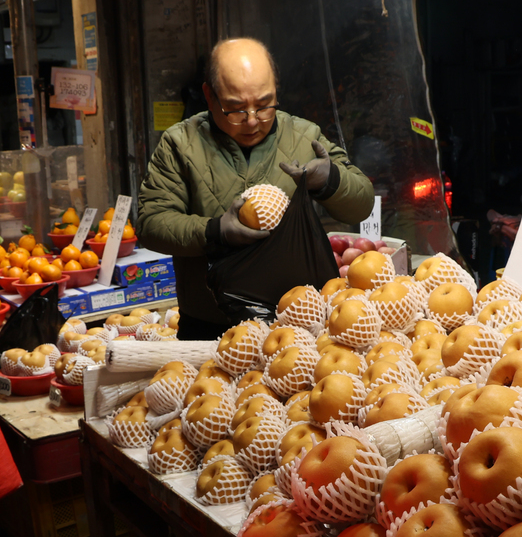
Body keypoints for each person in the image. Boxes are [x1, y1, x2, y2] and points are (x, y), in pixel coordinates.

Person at [137, 37, 375, 341]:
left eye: (264, 105)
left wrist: (329, 179)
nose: (252, 121)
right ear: (209, 96)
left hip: (297, 327)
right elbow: (151, 222)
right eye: (235, 109)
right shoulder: (180, 144)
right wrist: (214, 232)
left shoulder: (303, 137)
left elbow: (362, 203)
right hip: (210, 327)